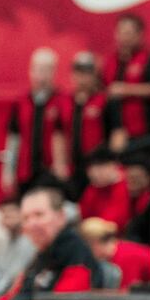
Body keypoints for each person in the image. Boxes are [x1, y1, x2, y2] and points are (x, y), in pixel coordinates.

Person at [4, 48, 70, 197]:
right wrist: (8, 171)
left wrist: (62, 166)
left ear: (54, 72)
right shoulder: (21, 102)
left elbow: (65, 136)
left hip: (52, 174)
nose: (41, 74)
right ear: (30, 70)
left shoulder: (63, 101)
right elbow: (14, 139)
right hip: (25, 172)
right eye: (37, 69)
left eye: (47, 69)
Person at [105, 15, 150, 152]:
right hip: (114, 133)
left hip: (143, 132)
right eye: (121, 32)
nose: (124, 37)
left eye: (128, 33)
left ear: (139, 35)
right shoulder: (110, 61)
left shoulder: (149, 59)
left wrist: (125, 90)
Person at [62, 51, 110, 201]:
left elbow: (115, 134)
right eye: (79, 72)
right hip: (72, 168)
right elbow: (58, 133)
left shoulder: (104, 101)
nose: (83, 78)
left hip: (96, 168)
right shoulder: (65, 102)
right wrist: (60, 163)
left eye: (87, 73)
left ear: (94, 75)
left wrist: (106, 164)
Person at [0, 198, 36, 294]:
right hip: (0, 289)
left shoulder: (31, 240)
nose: (7, 215)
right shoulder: (3, 240)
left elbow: (17, 275)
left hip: (20, 292)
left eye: (11, 211)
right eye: (3, 212)